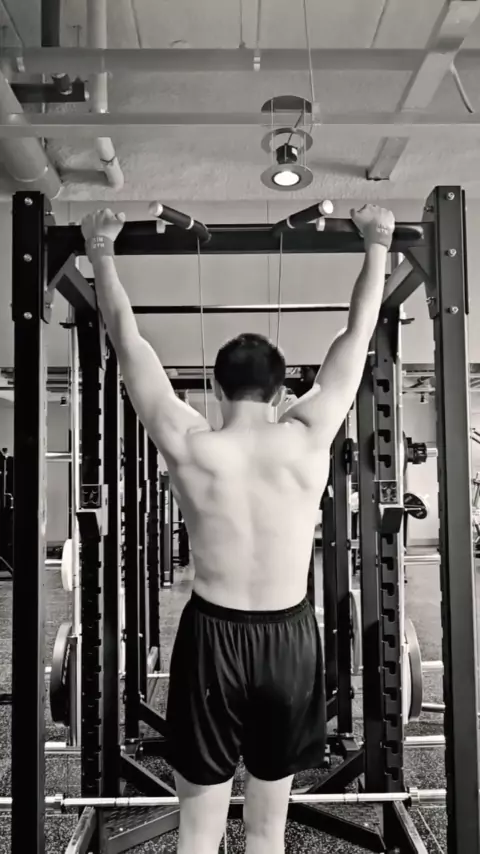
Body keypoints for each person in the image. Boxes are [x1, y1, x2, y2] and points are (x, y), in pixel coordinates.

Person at [81, 203, 395, 854]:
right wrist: (378, 241)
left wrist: (101, 248)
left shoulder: (192, 445)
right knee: (266, 829)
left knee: (199, 831)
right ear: (281, 394)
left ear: (216, 389)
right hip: (288, 639)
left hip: (212, 639)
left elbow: (128, 342)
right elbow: (357, 332)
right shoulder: (307, 438)